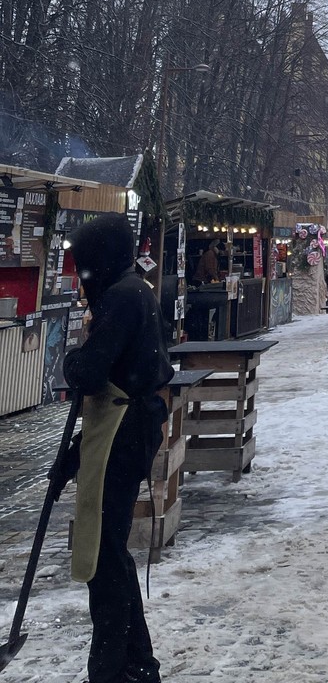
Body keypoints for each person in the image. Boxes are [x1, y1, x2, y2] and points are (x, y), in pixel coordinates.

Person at [61, 213, 174, 683]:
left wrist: (71, 358)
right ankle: (134, 663)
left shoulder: (123, 298)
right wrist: (72, 457)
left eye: (85, 268)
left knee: (107, 557)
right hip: (126, 428)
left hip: (123, 433)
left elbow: (89, 371)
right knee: (111, 554)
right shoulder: (130, 292)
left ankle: (111, 667)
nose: (83, 279)